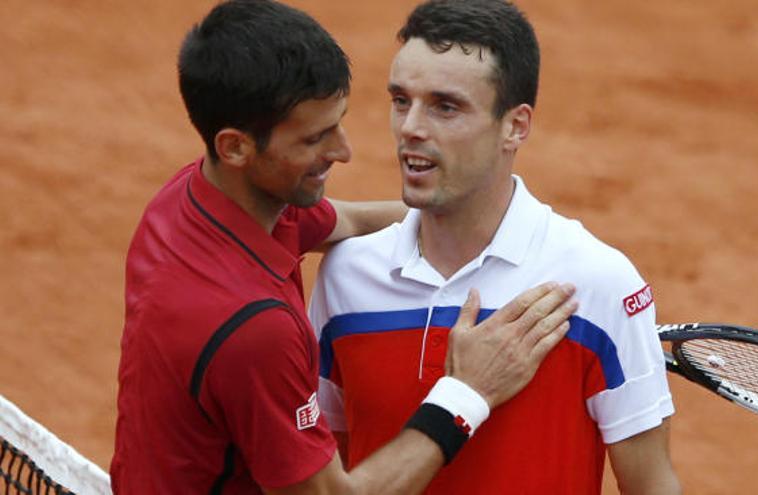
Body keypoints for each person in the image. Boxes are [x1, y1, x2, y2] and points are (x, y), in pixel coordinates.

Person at [110, 1, 579, 493]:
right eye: (315, 138)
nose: (343, 150)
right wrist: (466, 393)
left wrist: (502, 234)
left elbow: (348, 219)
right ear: (236, 147)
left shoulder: (198, 198)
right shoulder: (251, 330)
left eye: (338, 122)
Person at [309, 1, 681, 493]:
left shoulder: (596, 283)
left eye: (445, 106)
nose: (411, 128)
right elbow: (327, 472)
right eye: (401, 100)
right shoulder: (347, 277)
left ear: (515, 126)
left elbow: (652, 485)